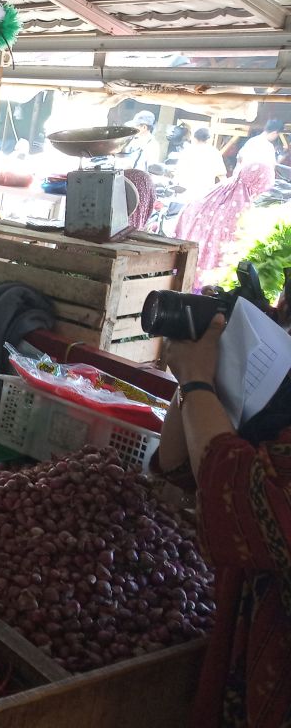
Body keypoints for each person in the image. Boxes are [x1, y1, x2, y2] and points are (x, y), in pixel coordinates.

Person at [157, 315, 291, 727]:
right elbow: (178, 464)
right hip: (253, 633)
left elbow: (242, 494)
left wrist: (198, 381)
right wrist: (193, 377)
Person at [175, 163, 275, 290]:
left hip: (178, 276)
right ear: (257, 187)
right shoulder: (243, 214)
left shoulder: (209, 194)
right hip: (209, 289)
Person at [175, 128, 227, 197]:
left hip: (185, 194)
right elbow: (222, 178)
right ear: (209, 139)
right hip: (203, 196)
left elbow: (178, 173)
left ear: (194, 138)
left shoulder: (187, 151)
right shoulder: (214, 153)